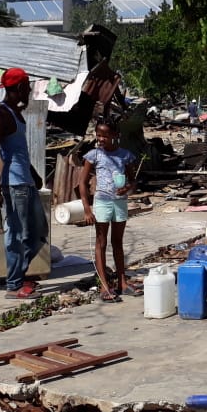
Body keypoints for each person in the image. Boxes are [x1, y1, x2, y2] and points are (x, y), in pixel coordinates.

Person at [0, 67, 48, 300]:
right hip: (14, 184)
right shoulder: (1, 115)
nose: (30, 90)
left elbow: (18, 151)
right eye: (28, 86)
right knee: (17, 234)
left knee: (38, 232)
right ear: (20, 88)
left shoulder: (15, 112)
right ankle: (13, 285)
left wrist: (33, 173)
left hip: (25, 181)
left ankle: (19, 276)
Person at [80, 121, 139, 302]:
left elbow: (133, 181)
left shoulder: (125, 156)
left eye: (105, 135)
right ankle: (105, 286)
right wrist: (87, 209)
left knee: (118, 242)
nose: (101, 139)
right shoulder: (94, 155)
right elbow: (81, 183)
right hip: (102, 203)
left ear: (115, 135)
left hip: (120, 203)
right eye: (98, 135)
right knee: (101, 242)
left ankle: (122, 282)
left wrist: (127, 188)